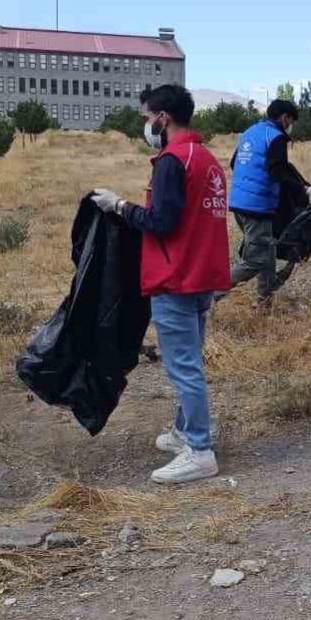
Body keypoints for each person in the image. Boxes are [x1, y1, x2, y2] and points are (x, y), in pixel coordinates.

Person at [90, 85, 232, 484]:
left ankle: (200, 452)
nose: (145, 124)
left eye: (146, 116)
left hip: (177, 277)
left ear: (163, 118)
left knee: (183, 366)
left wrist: (119, 206)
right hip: (202, 274)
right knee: (191, 361)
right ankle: (185, 432)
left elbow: (162, 222)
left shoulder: (172, 160)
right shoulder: (204, 158)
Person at [226, 99, 311, 308]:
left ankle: (264, 305)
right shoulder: (276, 137)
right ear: (285, 117)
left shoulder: (251, 132)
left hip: (239, 204)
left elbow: (234, 163)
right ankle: (210, 295)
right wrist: (303, 190)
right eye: (291, 120)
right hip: (256, 207)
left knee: (267, 254)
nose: (290, 125)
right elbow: (279, 171)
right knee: (256, 261)